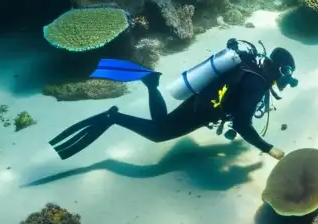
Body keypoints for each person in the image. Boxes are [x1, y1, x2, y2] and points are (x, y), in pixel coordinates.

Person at [49, 40, 297, 161]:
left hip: (203, 101)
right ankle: (112, 116)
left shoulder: (254, 64)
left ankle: (150, 83)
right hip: (203, 110)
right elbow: (243, 125)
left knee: (162, 123)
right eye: (288, 77)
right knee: (158, 133)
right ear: (283, 71)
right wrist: (268, 149)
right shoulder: (258, 83)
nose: (286, 83)